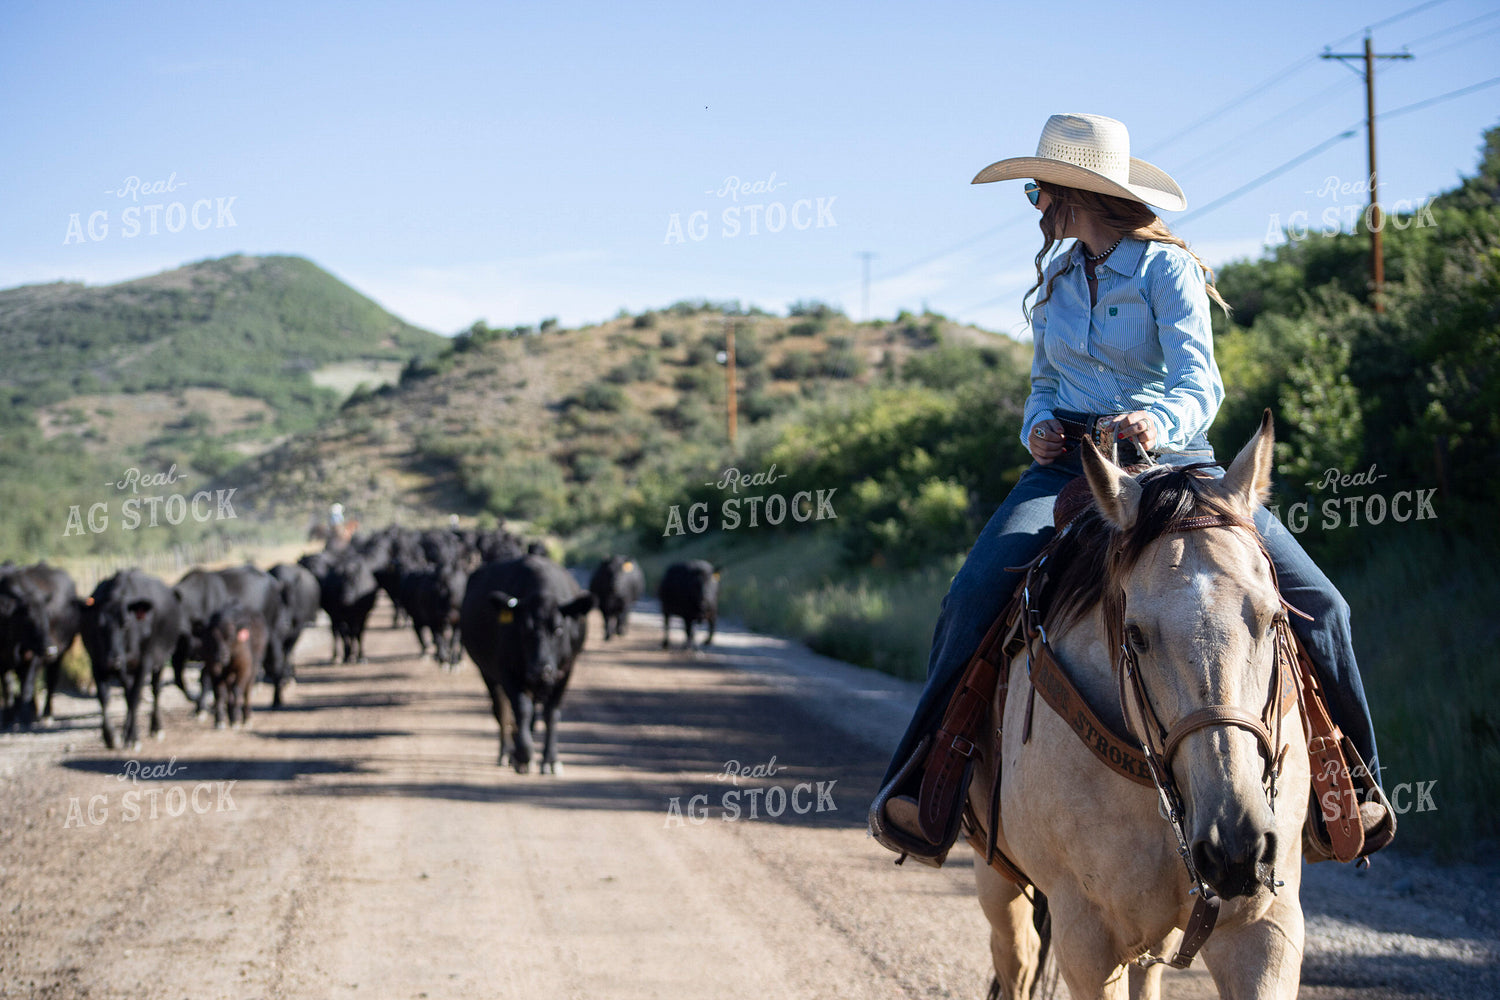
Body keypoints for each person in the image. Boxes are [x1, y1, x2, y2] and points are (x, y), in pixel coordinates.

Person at [870, 113, 1390, 860]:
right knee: (969, 598)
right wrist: (1039, 424)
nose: (1036, 208)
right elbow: (1043, 382)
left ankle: (1353, 787)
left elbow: (1199, 380)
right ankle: (928, 783)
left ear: (1071, 194)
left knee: (1323, 606)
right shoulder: (1055, 279)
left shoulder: (1163, 269)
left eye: (1037, 193)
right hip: (1068, 466)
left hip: (1175, 462)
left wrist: (1153, 418)